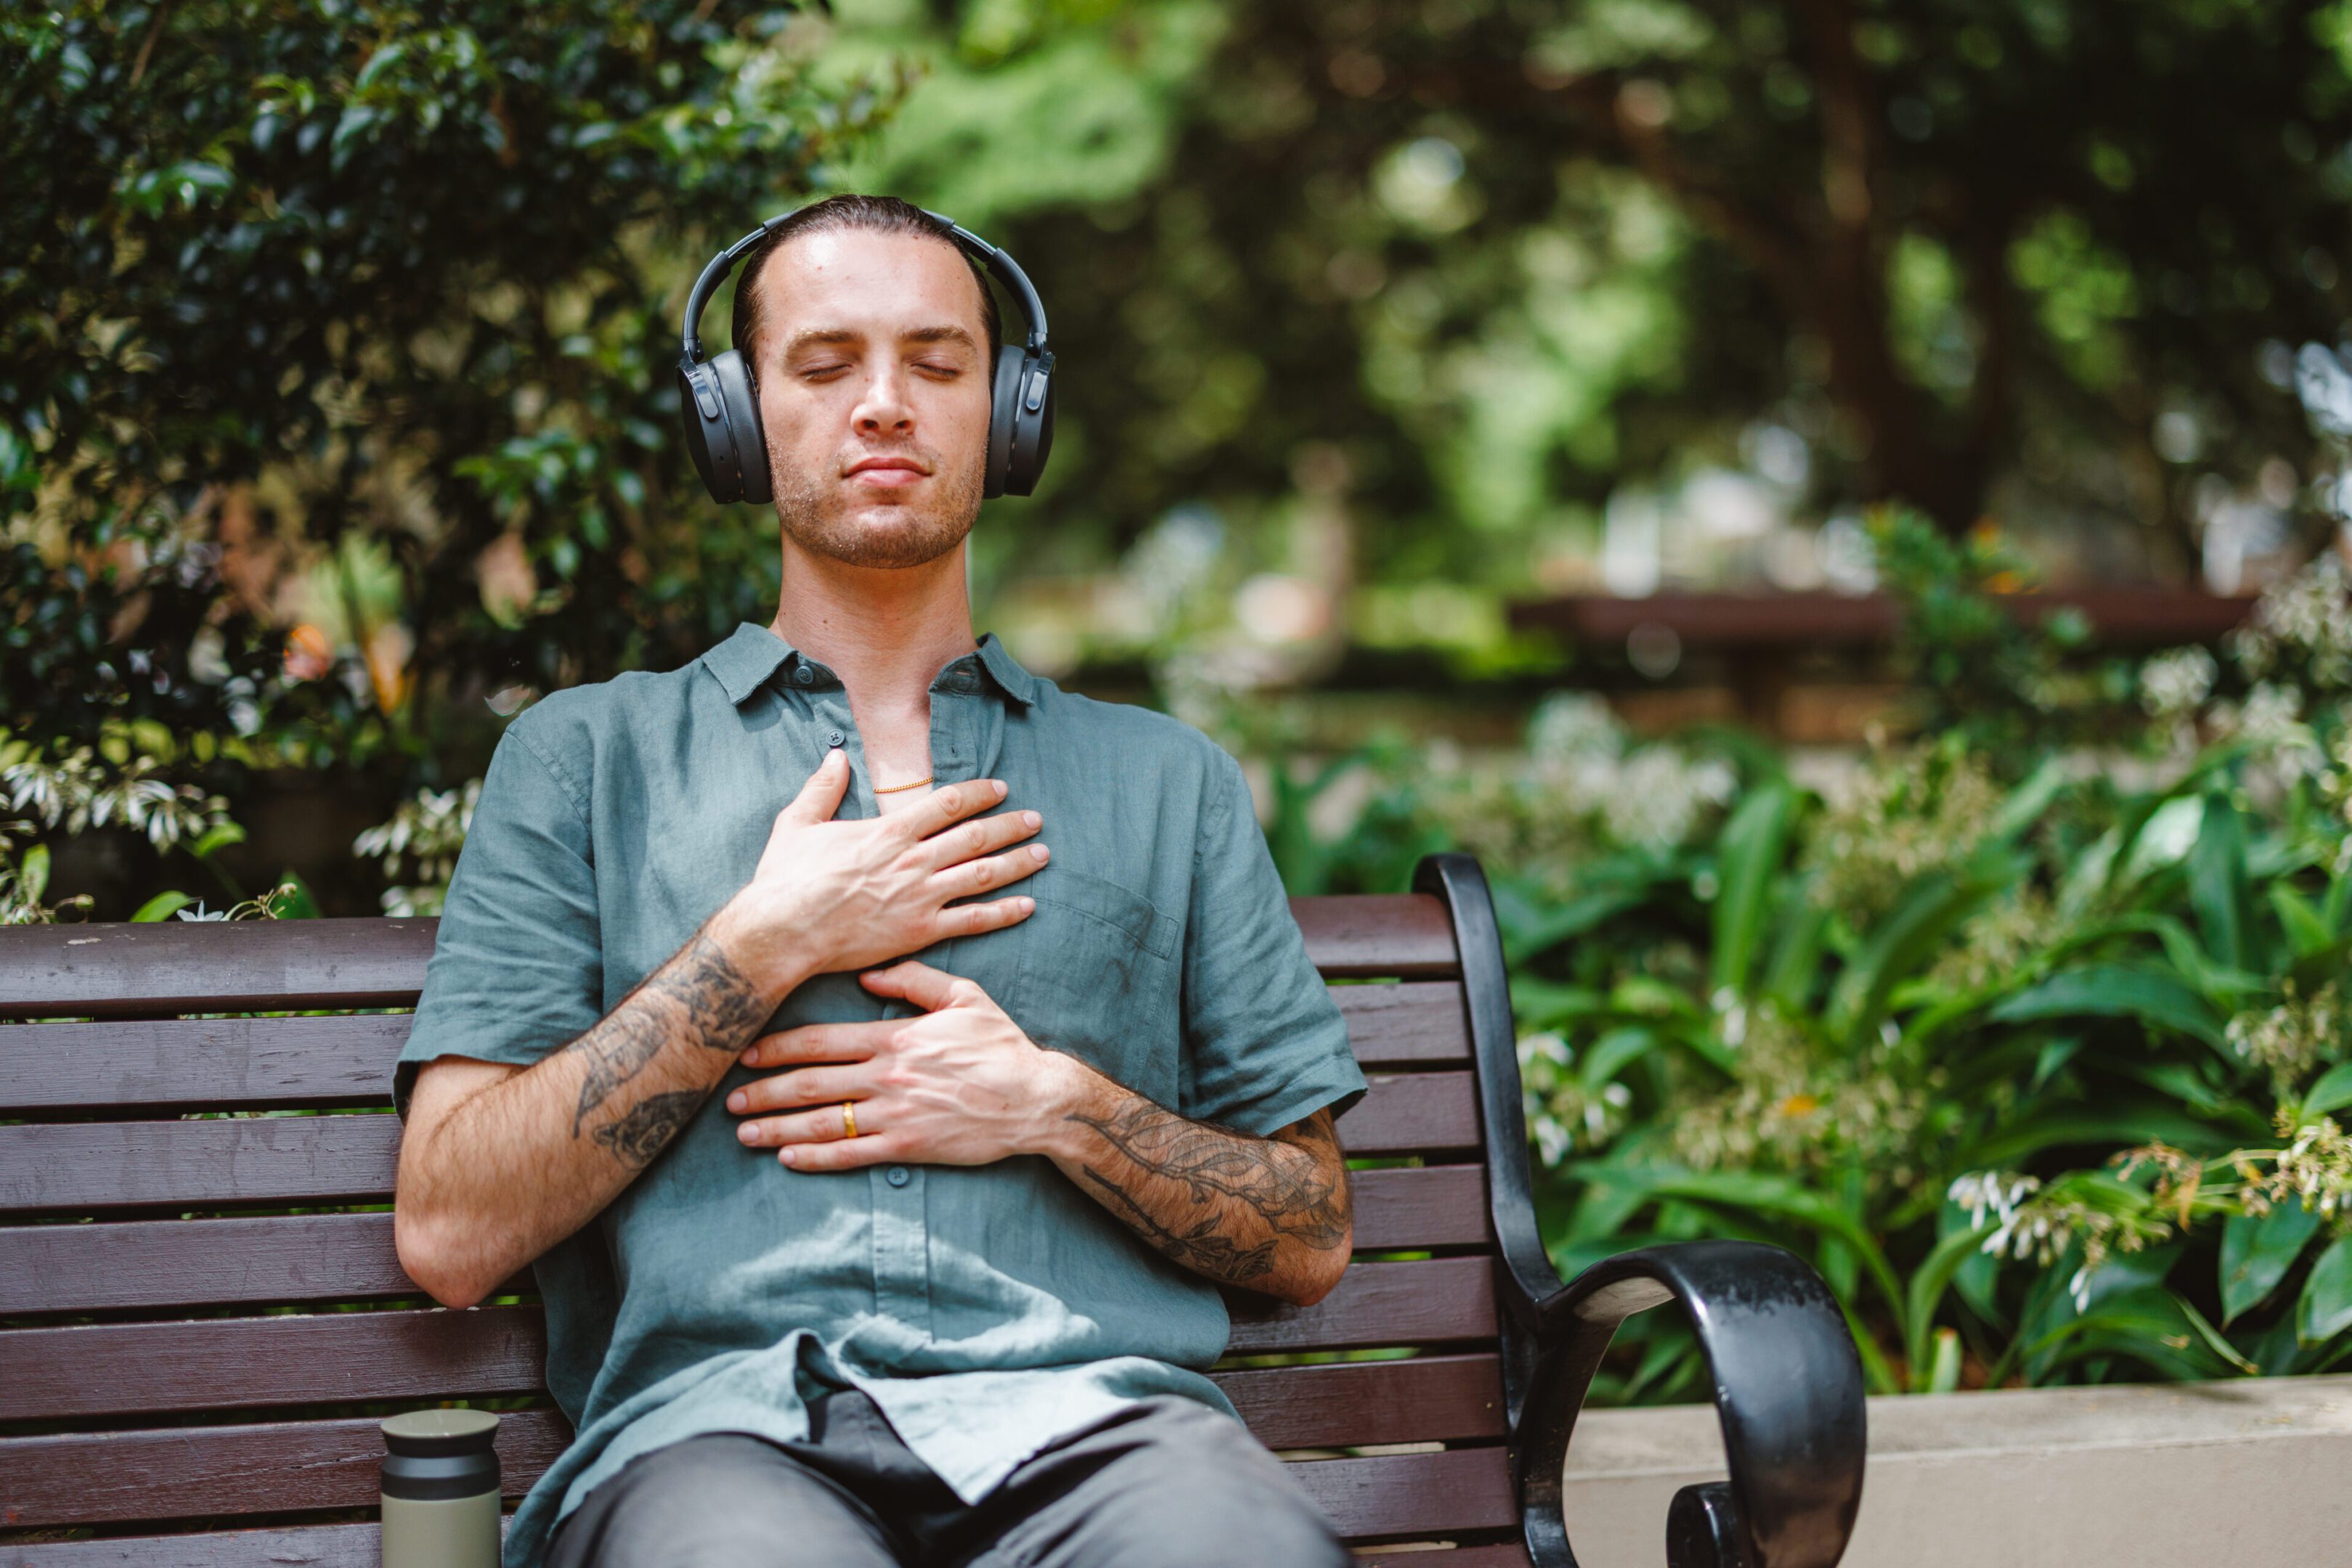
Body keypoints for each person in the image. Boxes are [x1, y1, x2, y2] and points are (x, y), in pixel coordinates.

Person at [388, 194, 1370, 1568]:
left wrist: (1058, 1108)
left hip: (1103, 1436)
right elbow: (448, 1227)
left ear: (1008, 412)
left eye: (938, 362)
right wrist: (760, 945)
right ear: (734, 417)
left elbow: (1310, 1230)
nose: (886, 405)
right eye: (825, 362)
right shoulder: (583, 759)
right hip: (713, 1445)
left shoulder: (1169, 782)